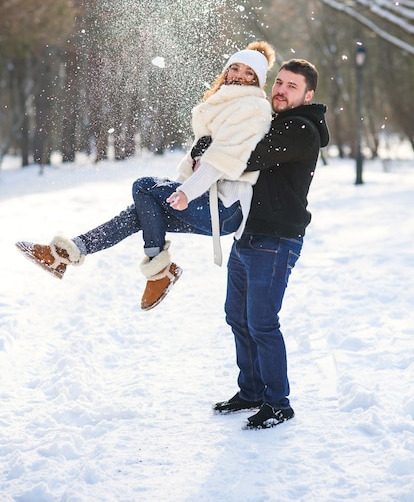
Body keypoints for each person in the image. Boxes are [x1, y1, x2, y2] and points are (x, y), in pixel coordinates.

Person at [16, 41, 275, 312]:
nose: (239, 75)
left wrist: (185, 192)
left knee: (143, 186)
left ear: (258, 81)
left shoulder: (251, 108)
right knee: (141, 212)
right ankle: (67, 254)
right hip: (210, 201)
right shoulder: (224, 104)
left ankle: (159, 271)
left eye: (249, 73)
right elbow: (202, 158)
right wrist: (174, 189)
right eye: (234, 68)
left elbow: (221, 160)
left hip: (225, 208)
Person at [211, 58, 330, 430]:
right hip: (249, 233)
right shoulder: (273, 120)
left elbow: (248, 157)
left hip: (276, 239)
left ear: (308, 94)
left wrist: (210, 146)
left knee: (262, 323)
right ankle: (251, 391)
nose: (281, 90)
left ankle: (278, 403)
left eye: (292, 86)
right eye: (279, 82)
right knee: (237, 317)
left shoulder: (300, 128)